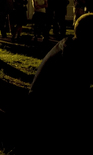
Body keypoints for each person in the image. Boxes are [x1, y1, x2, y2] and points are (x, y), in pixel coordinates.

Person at [27, 13, 93, 154]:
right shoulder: (75, 56)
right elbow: (78, 93)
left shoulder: (69, 44)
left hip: (43, 106)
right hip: (48, 114)